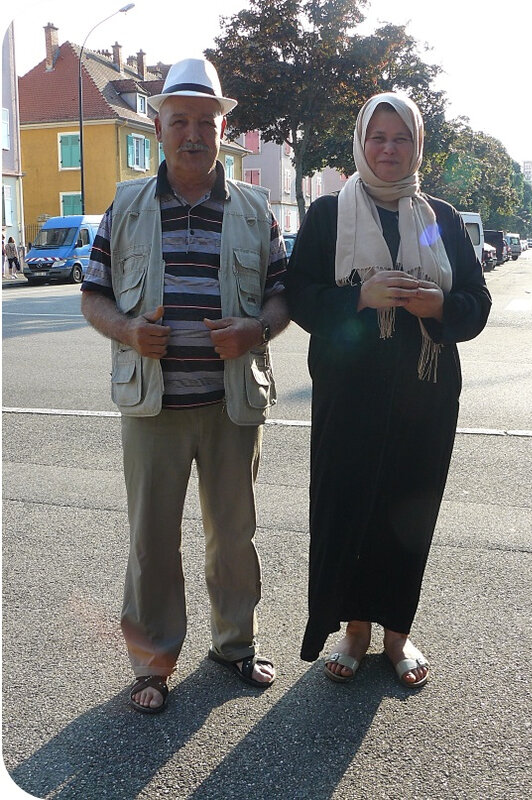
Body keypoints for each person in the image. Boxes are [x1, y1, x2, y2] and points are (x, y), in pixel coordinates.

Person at [81, 58, 289, 713]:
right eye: (180, 121)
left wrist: (254, 330)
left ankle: (233, 646)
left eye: (205, 120)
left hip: (232, 407)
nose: (193, 133)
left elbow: (283, 296)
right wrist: (126, 331)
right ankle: (151, 663)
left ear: (220, 126)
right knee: (151, 540)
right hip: (153, 407)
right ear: (158, 124)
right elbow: (93, 295)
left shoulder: (255, 210)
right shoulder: (126, 204)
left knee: (233, 536)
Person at [285, 91, 491, 687]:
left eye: (401, 138)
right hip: (349, 396)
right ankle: (354, 631)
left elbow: (474, 305)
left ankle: (398, 633)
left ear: (417, 145)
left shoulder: (436, 221)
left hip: (423, 398)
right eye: (378, 137)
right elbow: (300, 297)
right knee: (348, 508)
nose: (389, 149)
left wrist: (440, 306)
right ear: (361, 143)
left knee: (408, 511)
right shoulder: (330, 216)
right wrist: (359, 297)